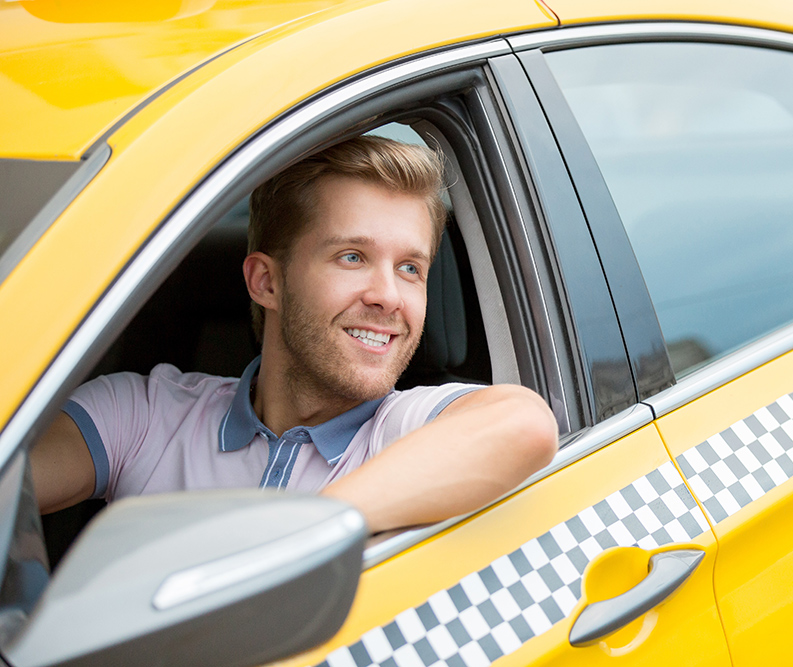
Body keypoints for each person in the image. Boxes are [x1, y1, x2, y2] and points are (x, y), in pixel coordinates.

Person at [29, 136, 559, 534]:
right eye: (353, 257)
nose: (388, 296)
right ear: (267, 281)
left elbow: (526, 423)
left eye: (410, 269)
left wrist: (307, 529)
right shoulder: (146, 414)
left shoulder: (407, 432)